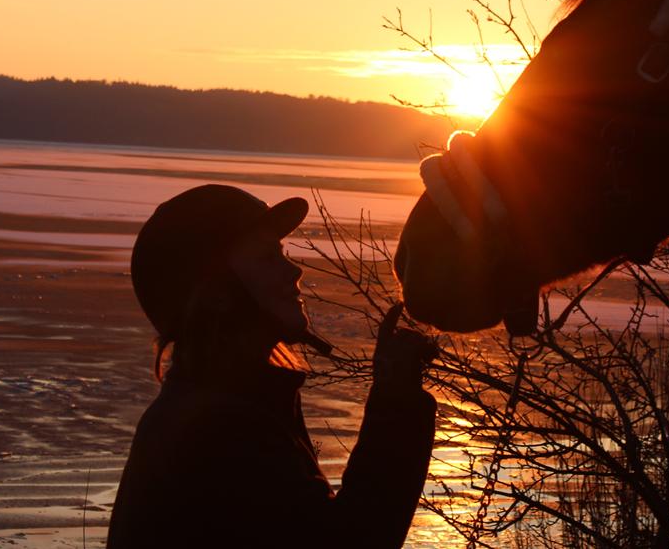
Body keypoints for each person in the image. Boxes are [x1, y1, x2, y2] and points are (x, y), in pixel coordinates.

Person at [106, 184, 438, 549]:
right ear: (215, 292)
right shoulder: (221, 428)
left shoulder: (220, 403)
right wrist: (396, 400)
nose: (293, 270)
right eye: (267, 258)